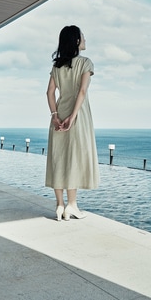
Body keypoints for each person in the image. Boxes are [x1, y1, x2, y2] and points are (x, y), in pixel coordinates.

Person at [45, 25, 99, 221]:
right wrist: (73, 116)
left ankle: (59, 206)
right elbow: (82, 92)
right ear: (76, 41)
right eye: (83, 36)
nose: (85, 39)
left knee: (58, 158)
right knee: (73, 159)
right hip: (78, 115)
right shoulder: (86, 63)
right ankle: (72, 206)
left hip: (59, 114)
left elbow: (50, 92)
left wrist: (55, 115)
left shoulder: (56, 66)